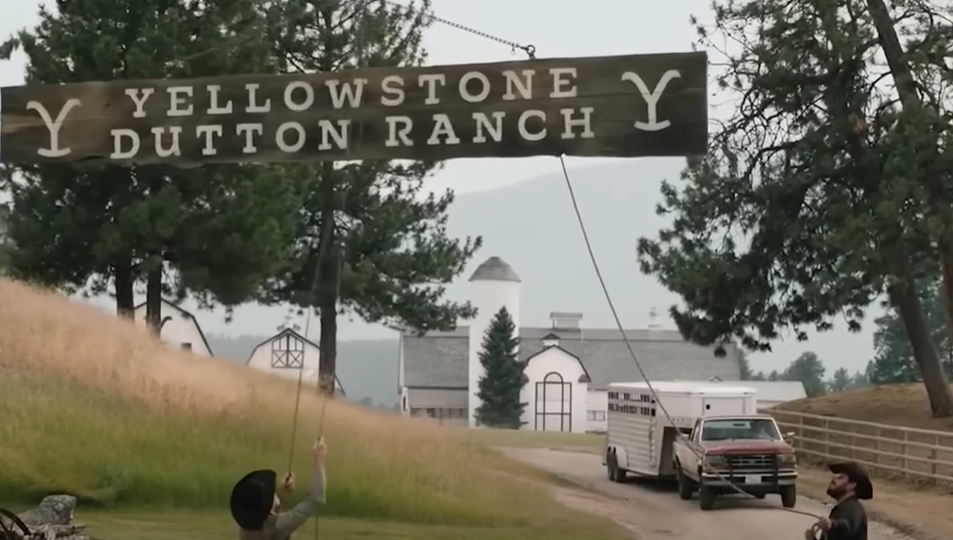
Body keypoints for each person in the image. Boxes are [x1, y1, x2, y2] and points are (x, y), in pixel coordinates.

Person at [231, 438, 327, 540]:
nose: (273, 493)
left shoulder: (246, 526)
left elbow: (271, 516)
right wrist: (319, 460)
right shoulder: (277, 526)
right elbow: (316, 499)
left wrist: (283, 492)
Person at [805, 462, 872, 540]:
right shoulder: (843, 507)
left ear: (852, 485)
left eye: (840, 477)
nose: (834, 479)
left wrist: (832, 525)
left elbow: (847, 527)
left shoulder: (853, 508)